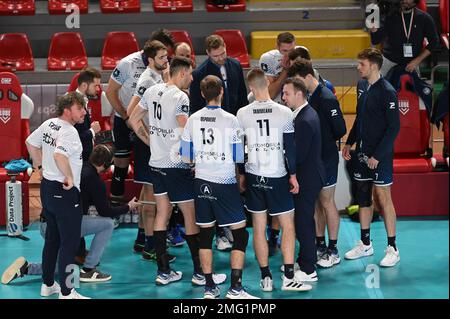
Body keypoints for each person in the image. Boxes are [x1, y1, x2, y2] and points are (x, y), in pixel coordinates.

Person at [129, 57, 216, 286]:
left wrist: (150, 142)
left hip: (156, 163)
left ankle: (163, 271)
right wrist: (191, 161)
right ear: (181, 74)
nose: (192, 78)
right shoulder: (180, 97)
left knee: (162, 213)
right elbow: (183, 131)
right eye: (189, 74)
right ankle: (199, 272)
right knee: (190, 215)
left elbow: (133, 118)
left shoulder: (152, 91)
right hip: (176, 165)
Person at [1, 145, 141, 285]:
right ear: (105, 165)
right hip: (65, 224)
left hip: (47, 222)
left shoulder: (78, 167)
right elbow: (105, 212)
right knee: (107, 224)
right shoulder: (95, 181)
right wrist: (128, 207)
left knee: (59, 267)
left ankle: (26, 268)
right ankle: (88, 270)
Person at [180, 75, 256, 299]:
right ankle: (236, 288)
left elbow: (186, 157)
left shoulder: (193, 119)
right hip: (224, 182)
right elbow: (237, 155)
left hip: (201, 181)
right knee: (240, 236)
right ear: (221, 92)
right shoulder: (231, 120)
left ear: (202, 94)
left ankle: (209, 286)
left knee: (205, 236)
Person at [237, 69, 312, 293]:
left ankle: (265, 277)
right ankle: (289, 277)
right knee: (287, 225)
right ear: (268, 83)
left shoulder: (242, 113)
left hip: (253, 175)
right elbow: (290, 148)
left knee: (259, 228)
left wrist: (241, 174)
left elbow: (242, 149)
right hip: (277, 175)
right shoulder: (283, 112)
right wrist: (293, 175)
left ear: (251, 88)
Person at [25, 92, 88, 299]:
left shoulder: (49, 123)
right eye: (80, 108)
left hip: (48, 190)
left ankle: (48, 284)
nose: (84, 112)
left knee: (52, 240)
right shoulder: (69, 132)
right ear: (68, 110)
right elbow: (59, 155)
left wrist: (40, 167)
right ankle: (67, 292)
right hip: (65, 193)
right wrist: (69, 176)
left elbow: (30, 143)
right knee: (69, 244)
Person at [342, 48, 401, 267]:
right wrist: (349, 142)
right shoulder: (362, 87)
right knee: (363, 196)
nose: (358, 67)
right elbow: (360, 118)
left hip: (381, 156)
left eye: (362, 64)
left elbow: (394, 127)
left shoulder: (387, 91)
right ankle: (365, 244)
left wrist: (378, 155)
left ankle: (392, 247)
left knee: (384, 198)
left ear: (374, 66)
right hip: (362, 154)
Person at [287, 58, 347, 268]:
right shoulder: (311, 97)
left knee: (327, 202)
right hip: (315, 160)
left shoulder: (326, 97)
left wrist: (320, 137)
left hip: (327, 158)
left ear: (309, 77)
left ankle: (333, 249)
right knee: (314, 204)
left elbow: (340, 129)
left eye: (298, 80)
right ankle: (320, 245)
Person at [125, 40, 171, 261]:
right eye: (162, 58)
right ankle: (151, 247)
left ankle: (142, 238)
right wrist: (149, 140)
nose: (166, 61)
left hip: (150, 146)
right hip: (148, 148)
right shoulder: (147, 80)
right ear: (150, 60)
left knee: (146, 192)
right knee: (153, 197)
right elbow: (131, 113)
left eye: (166, 57)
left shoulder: (157, 77)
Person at [282, 77, 325, 282]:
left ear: (299, 94)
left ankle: (309, 269)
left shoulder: (304, 120)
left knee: (303, 222)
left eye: (287, 93)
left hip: (307, 179)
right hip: (310, 176)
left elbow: (298, 155)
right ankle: (304, 259)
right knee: (304, 220)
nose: (283, 98)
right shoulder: (305, 115)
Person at [106, 40, 150, 207]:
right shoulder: (127, 63)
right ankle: (116, 207)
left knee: (146, 167)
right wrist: (125, 117)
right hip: (123, 119)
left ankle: (145, 213)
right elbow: (110, 92)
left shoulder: (163, 66)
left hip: (146, 121)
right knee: (121, 164)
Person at [370, 0, 439, 76]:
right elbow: (375, 40)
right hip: (389, 61)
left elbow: (434, 42)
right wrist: (373, 25)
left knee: (413, 86)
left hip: (411, 63)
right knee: (380, 85)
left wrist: (417, 60)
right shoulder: (389, 16)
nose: (404, 1)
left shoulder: (424, 18)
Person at [189, 34, 248, 116]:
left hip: (236, 117)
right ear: (208, 53)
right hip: (212, 121)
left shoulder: (236, 65)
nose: (220, 58)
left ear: (225, 46)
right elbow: (195, 105)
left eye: (223, 53)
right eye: (216, 56)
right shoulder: (199, 74)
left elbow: (242, 94)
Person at [259, 32, 304, 104]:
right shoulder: (268, 58)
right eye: (285, 51)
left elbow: (303, 87)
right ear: (277, 47)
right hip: (276, 102)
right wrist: (285, 70)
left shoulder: (301, 53)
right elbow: (271, 94)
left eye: (292, 50)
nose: (289, 55)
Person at [74, 67, 102, 162]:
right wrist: (92, 131)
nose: (98, 89)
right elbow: (74, 137)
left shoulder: (81, 100)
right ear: (84, 85)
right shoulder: (74, 104)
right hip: (78, 159)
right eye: (95, 86)